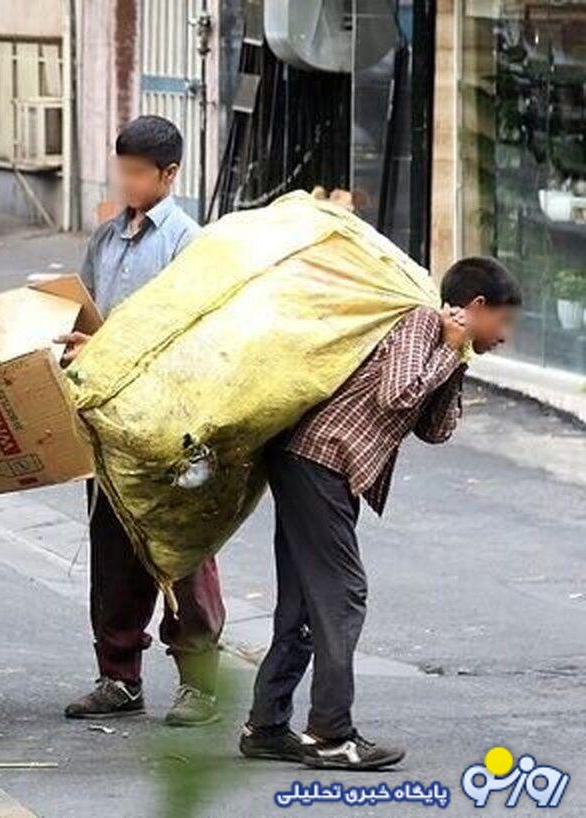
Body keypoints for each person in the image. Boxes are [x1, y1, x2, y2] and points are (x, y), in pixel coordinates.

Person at [239, 257, 522, 771]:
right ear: (476, 306)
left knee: (305, 601)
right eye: (502, 322)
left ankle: (266, 727)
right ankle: (330, 734)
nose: (504, 337)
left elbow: (433, 430)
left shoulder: (446, 344)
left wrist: (454, 359)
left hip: (322, 467)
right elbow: (396, 396)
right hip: (319, 459)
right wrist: (448, 348)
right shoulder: (419, 321)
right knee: (343, 596)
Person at [58, 115, 227, 727]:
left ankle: (200, 683)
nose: (126, 183)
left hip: (171, 423)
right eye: (120, 171)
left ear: (170, 174)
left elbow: (188, 334)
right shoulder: (106, 240)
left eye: (137, 173)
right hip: (108, 421)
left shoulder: (188, 242)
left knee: (181, 549)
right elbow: (93, 317)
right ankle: (118, 675)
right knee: (113, 551)